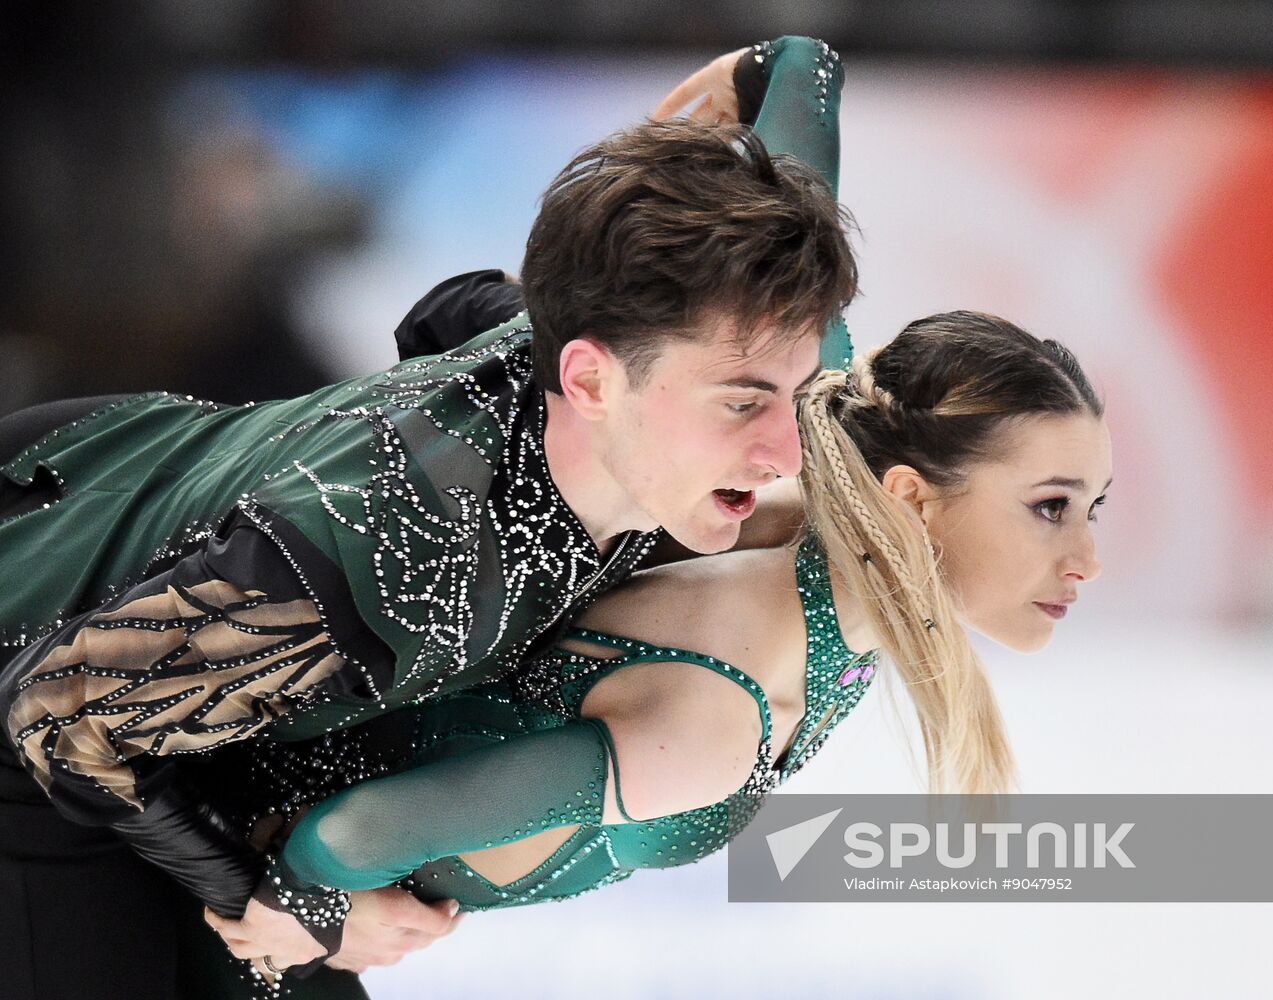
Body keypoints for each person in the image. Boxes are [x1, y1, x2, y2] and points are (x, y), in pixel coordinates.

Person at [0, 38, 855, 1000]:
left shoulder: (552, 344)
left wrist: (760, 90)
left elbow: (448, 310)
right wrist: (310, 909)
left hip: (127, 534)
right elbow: (60, 715)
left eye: (798, 391)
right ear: (590, 379)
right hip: (43, 713)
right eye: (743, 403)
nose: (789, 450)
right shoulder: (401, 568)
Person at [195, 308, 1111, 999]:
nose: (1087, 559)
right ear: (910, 499)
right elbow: (347, 838)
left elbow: (796, 95)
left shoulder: (807, 488)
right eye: (1050, 507)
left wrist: (776, 75)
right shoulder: (718, 712)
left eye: (1092, 507)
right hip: (205, 880)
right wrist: (309, 915)